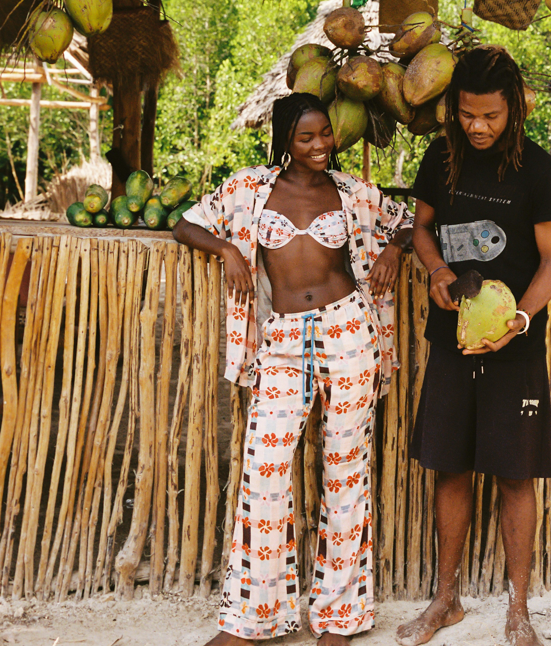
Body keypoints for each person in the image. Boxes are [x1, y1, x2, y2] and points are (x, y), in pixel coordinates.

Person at [173, 92, 413, 647]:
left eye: (325, 134)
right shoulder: (248, 190)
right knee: (265, 473)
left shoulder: (352, 192)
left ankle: (339, 618)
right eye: (306, 137)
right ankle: (248, 622)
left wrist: (393, 251)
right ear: (284, 140)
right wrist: (227, 251)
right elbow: (186, 224)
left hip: (348, 331)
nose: (320, 146)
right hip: (281, 338)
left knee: (346, 469)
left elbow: (407, 221)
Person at [396, 46, 551, 647]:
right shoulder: (440, 159)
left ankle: (519, 611)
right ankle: (446, 601)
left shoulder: (540, 171)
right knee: (451, 466)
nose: (477, 127)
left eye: (490, 116)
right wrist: (437, 271)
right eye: (467, 115)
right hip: (450, 343)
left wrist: (520, 320)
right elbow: (420, 227)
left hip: (513, 348)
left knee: (515, 476)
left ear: (513, 109)